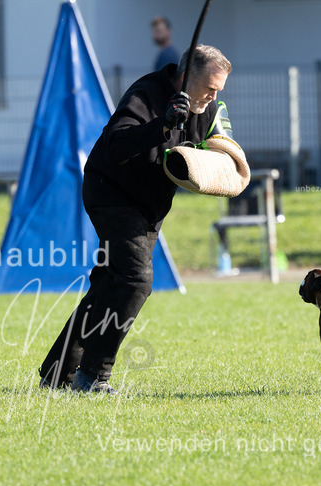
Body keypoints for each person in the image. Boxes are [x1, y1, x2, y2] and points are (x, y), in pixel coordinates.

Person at [39, 45, 233, 394]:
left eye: (219, 89)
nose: (214, 95)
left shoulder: (210, 108)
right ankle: (94, 376)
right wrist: (163, 123)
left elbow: (224, 151)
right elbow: (116, 145)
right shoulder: (147, 93)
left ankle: (58, 372)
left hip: (149, 208)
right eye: (209, 87)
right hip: (111, 192)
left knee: (108, 284)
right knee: (134, 281)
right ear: (186, 76)